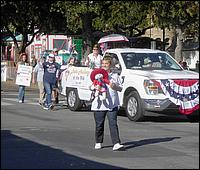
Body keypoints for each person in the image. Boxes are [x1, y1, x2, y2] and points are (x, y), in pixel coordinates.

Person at [90, 55, 125, 151]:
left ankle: (116, 143)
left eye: (107, 64)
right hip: (99, 104)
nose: (104, 65)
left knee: (113, 123)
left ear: (110, 65)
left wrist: (114, 86)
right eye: (103, 64)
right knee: (99, 124)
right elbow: (90, 86)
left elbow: (120, 88)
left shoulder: (115, 76)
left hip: (112, 103)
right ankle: (98, 141)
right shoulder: (97, 75)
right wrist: (94, 87)